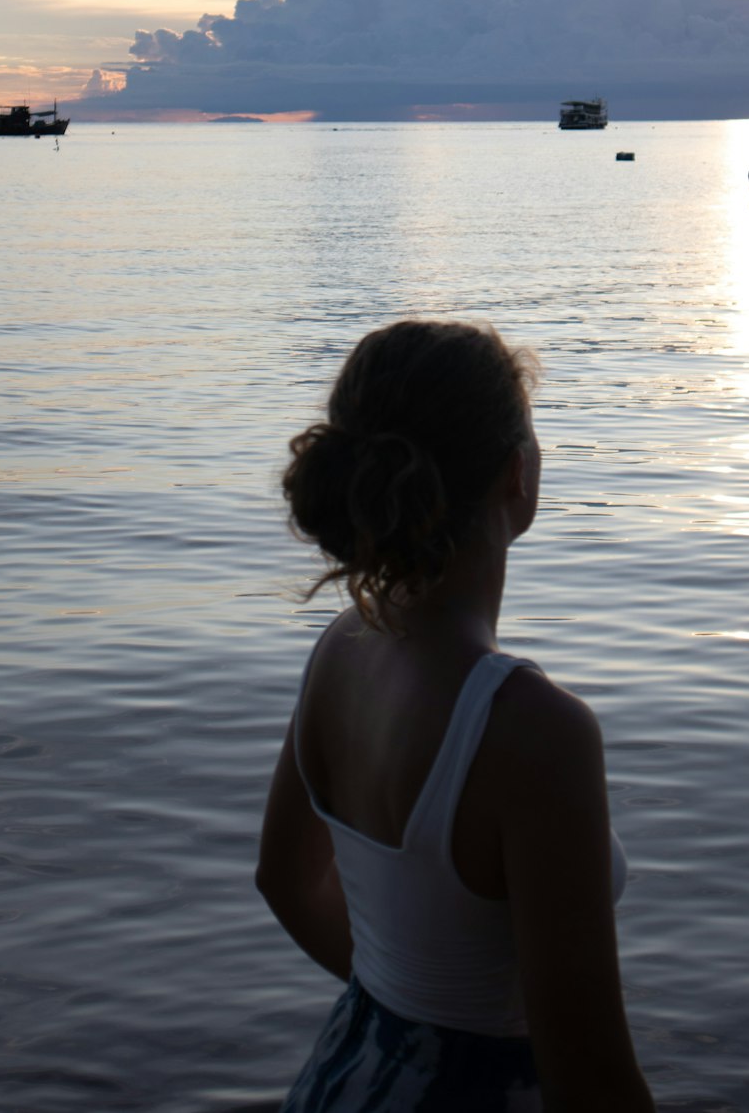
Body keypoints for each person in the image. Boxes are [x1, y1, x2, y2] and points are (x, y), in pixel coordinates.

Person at [257, 320, 655, 1112]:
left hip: (347, 1074)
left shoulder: (339, 651)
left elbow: (286, 882)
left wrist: (413, 1005)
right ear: (517, 473)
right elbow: (592, 1083)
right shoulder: (534, 731)